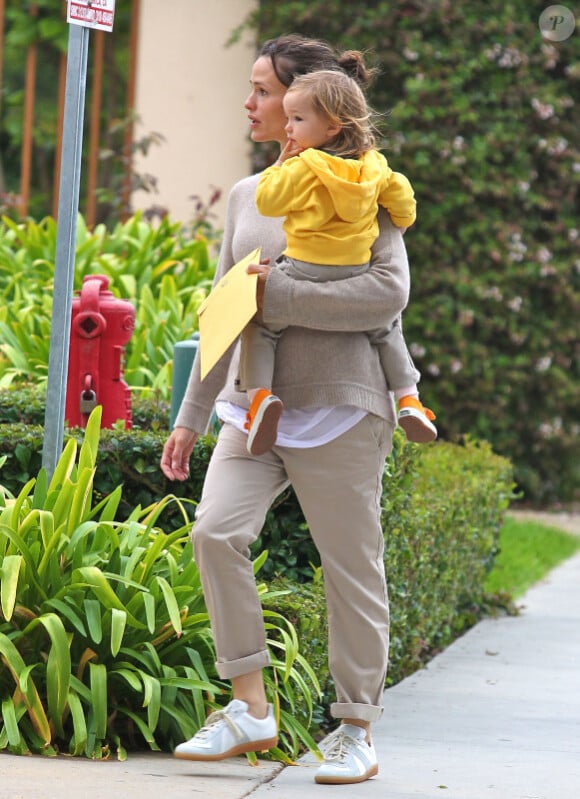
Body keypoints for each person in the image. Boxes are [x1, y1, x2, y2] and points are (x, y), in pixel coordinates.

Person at [161, 34, 413, 785]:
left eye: (264, 91)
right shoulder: (248, 196)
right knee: (215, 532)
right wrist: (191, 414)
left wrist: (281, 295)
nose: (250, 103)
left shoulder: (364, 184)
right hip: (253, 406)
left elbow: (386, 295)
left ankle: (355, 727)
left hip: (341, 407)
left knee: (350, 567)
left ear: (312, 106)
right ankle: (250, 706)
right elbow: (226, 309)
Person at [240, 68, 436, 456]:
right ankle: (409, 398)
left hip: (303, 268)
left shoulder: (302, 167)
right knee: (386, 327)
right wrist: (399, 220)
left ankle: (259, 398)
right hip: (354, 268)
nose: (289, 128)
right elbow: (405, 205)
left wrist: (280, 165)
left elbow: (267, 202)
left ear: (332, 126)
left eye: (297, 119)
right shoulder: (375, 167)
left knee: (259, 324)